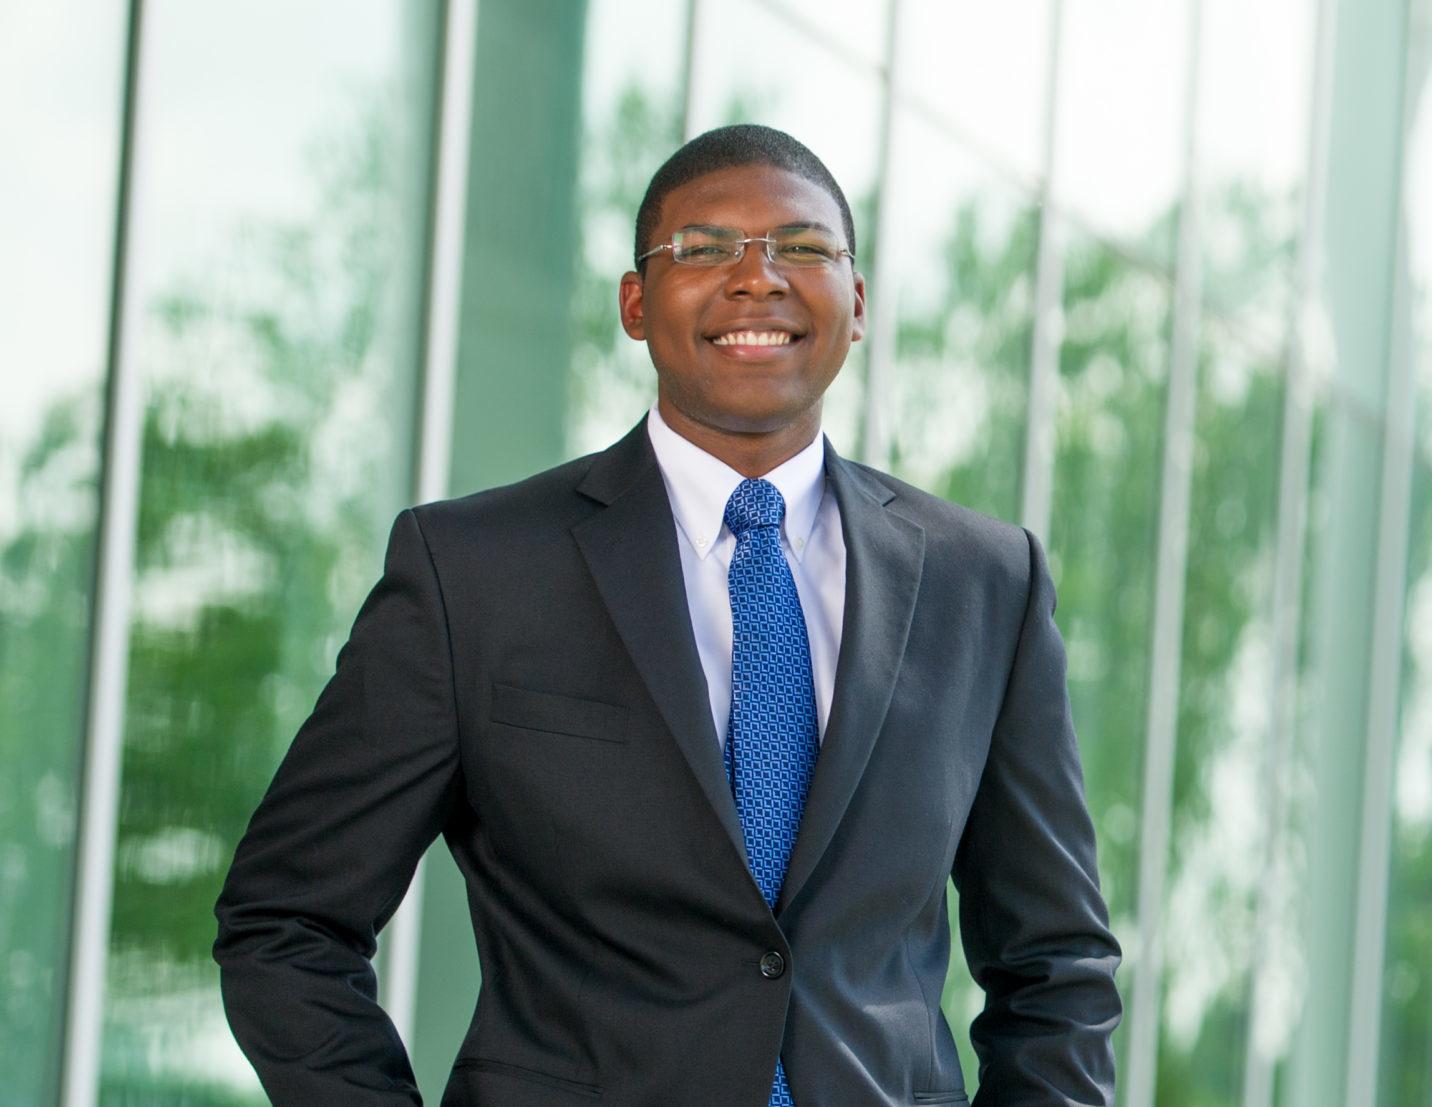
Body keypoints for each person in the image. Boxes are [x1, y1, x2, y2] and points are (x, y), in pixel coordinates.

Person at [213, 123, 1122, 1105]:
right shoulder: (474, 575)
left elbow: (1056, 965)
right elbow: (288, 920)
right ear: (637, 305)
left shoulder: (986, 582)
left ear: (856, 306)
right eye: (703, 248)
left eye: (803, 248)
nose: (756, 278)